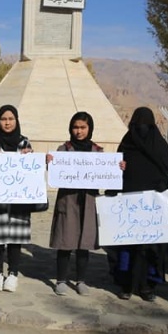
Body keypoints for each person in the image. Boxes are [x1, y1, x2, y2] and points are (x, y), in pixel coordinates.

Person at [109, 107, 168, 301]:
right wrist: (119, 167)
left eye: (145, 125)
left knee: (151, 248)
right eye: (138, 125)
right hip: (129, 204)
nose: (141, 129)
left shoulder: (159, 146)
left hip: (153, 206)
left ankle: (147, 286)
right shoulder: (127, 144)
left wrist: (162, 191)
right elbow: (113, 172)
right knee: (127, 246)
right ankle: (126, 285)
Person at [48, 111, 111, 296]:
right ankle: (60, 280)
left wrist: (116, 168)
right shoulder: (63, 150)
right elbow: (55, 174)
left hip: (89, 201)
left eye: (83, 127)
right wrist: (50, 163)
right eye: (75, 127)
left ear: (90, 128)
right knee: (65, 242)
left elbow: (106, 175)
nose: (79, 131)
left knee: (84, 244)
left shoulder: (98, 151)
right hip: (68, 201)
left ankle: (81, 280)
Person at [0, 105, 34, 293]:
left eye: (11, 119)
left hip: (18, 200)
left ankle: (12, 274)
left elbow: (31, 172)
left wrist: (29, 159)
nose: (8, 122)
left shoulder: (24, 143)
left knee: (14, 238)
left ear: (17, 120)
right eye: (4, 119)